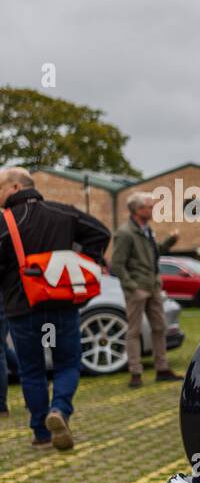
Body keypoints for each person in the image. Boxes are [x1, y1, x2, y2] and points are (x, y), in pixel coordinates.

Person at [0, 167, 110, 449]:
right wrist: (84, 262)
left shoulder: (5, 222)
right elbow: (101, 233)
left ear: (15, 187)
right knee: (67, 364)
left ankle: (41, 432)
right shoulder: (64, 212)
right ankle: (59, 409)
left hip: (22, 309)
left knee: (32, 371)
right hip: (61, 305)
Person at [113, 192, 181, 388]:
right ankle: (135, 372)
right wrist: (132, 287)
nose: (152, 210)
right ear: (136, 209)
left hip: (153, 286)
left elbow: (154, 252)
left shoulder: (147, 230)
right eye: (148, 207)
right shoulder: (125, 233)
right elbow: (117, 265)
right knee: (134, 331)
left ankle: (162, 368)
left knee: (160, 328)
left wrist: (169, 242)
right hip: (138, 289)